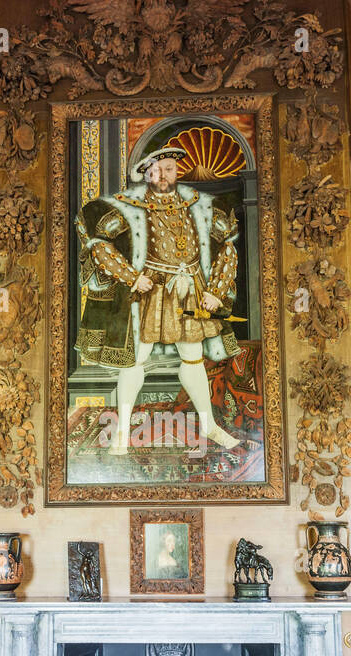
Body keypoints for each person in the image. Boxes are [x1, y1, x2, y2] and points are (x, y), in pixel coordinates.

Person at [75, 144, 243, 455]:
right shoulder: (129, 206)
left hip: (191, 286)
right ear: (146, 173)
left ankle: (209, 426)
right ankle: (122, 435)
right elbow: (97, 241)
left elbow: (228, 247)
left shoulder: (199, 204)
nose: (164, 174)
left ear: (177, 171)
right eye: (157, 169)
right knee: (136, 360)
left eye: (169, 168)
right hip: (150, 290)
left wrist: (215, 291)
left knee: (192, 357)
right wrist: (130, 276)